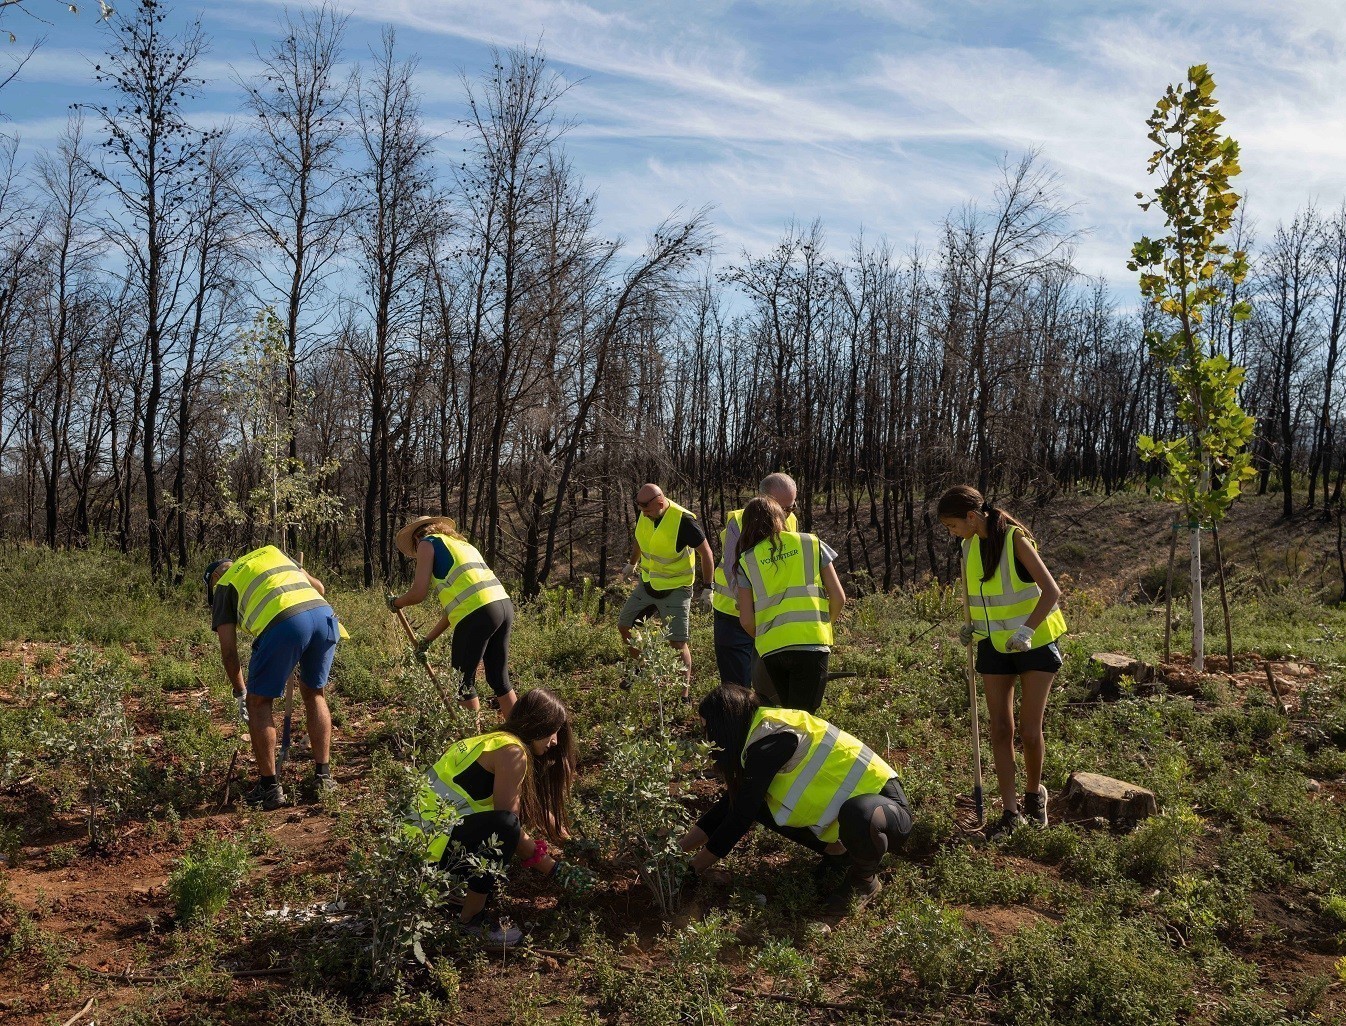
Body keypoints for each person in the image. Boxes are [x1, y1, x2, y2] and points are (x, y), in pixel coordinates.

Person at [679, 684, 912, 912]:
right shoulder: (758, 733)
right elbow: (731, 806)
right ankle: (840, 854)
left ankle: (864, 880)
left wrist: (693, 870)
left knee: (858, 813)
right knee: (753, 802)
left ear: (725, 726)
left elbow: (740, 819)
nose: (707, 739)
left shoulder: (771, 741)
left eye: (708, 730)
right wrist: (677, 852)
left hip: (886, 815)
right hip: (856, 822)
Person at [403, 687, 590, 946]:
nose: (556, 741)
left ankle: (455, 893)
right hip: (429, 859)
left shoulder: (493, 741)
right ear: (539, 723)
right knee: (504, 826)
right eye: (553, 731)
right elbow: (509, 829)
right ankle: (471, 920)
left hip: (411, 853)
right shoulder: (513, 753)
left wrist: (572, 843)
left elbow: (531, 808)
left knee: (503, 827)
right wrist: (556, 870)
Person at [937, 485, 1067, 839]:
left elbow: (1051, 591)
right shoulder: (968, 548)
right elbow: (984, 599)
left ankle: (1034, 797)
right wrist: (972, 628)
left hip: (1035, 643)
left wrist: (1027, 630)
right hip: (993, 646)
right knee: (1000, 730)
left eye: (952, 525)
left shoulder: (1015, 539)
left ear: (971, 516)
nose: (952, 533)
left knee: (1029, 730)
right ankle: (1010, 813)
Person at [205, 546, 344, 810]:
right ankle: (324, 777)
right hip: (324, 616)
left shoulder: (223, 584)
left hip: (286, 624)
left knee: (258, 702)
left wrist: (241, 693)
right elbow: (320, 588)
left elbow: (229, 652)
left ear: (213, 578)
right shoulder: (272, 554)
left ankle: (269, 788)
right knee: (314, 693)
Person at [389, 515, 517, 716]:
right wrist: (427, 640)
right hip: (503, 606)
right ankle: (520, 731)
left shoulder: (426, 543)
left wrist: (396, 602)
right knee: (499, 679)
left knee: (462, 683)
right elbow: (455, 609)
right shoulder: (462, 545)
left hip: (478, 612)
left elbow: (418, 593)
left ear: (416, 537)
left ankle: (472, 735)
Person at [733, 495, 846, 714]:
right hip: (811, 644)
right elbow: (839, 597)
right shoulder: (810, 543)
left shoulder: (747, 560)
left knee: (790, 715)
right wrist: (824, 627)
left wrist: (766, 637)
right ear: (781, 517)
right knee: (804, 717)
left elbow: (746, 620)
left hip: (772, 650)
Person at [618, 483, 715, 700]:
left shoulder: (684, 521)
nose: (644, 514)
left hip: (676, 588)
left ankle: (683, 696)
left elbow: (706, 553)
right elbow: (640, 539)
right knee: (625, 626)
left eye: (647, 510)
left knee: (677, 643)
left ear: (660, 503)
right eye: (641, 510)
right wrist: (632, 564)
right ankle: (640, 667)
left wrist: (708, 587)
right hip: (648, 584)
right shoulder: (646, 514)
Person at [711, 473, 799, 688]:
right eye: (782, 508)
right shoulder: (739, 521)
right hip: (733, 615)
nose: (786, 514)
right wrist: (748, 606)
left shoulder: (792, 520)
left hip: (771, 616)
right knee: (737, 687)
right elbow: (732, 570)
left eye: (791, 507)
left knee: (770, 685)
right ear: (762, 499)